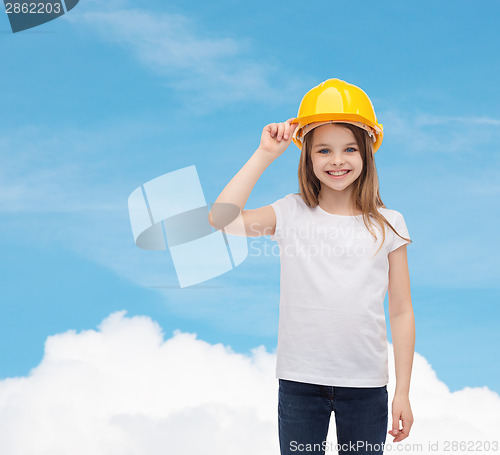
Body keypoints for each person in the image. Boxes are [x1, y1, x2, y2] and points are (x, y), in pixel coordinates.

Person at [208, 78, 415, 455]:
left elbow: (401, 311)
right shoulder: (290, 213)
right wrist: (264, 154)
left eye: (350, 149)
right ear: (307, 156)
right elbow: (221, 220)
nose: (337, 160)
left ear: (367, 153)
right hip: (300, 382)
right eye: (323, 150)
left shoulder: (390, 223)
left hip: (367, 386)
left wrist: (402, 391)